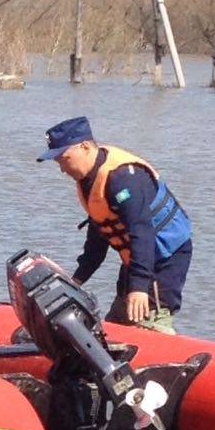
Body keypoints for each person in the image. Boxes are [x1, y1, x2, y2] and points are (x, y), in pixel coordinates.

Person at [37, 116, 193, 334]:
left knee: (151, 318)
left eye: (64, 159)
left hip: (164, 256)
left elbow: (142, 231)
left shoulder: (123, 178)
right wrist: (76, 280)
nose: (62, 169)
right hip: (136, 258)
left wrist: (138, 287)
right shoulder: (89, 180)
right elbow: (97, 240)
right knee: (118, 320)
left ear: (85, 147)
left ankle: (163, 345)